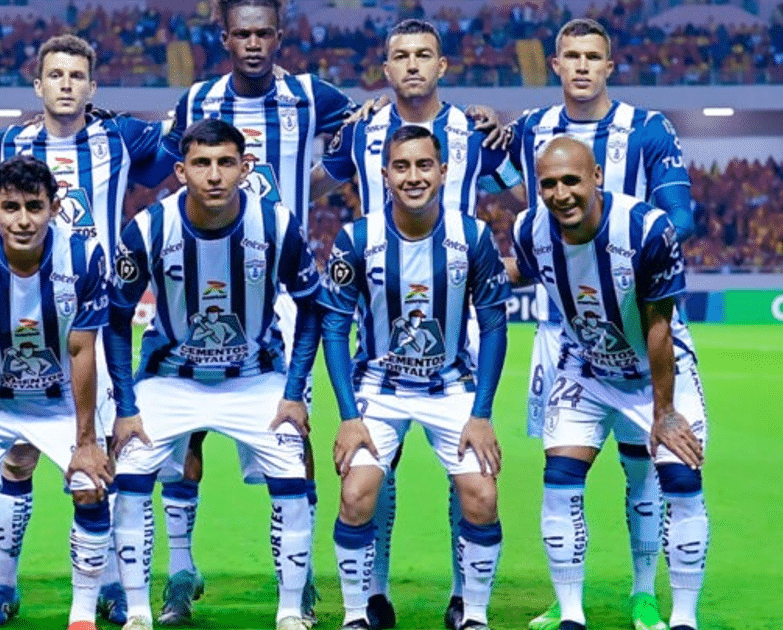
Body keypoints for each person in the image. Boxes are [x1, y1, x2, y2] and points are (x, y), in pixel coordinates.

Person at [158, 1, 355, 622]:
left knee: (291, 432)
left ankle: (298, 577)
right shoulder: (197, 99)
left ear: (278, 36)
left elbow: (359, 138)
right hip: (201, 279)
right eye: (241, 33)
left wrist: (307, 185)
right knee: (185, 430)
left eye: (262, 33)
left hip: (280, 289)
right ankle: (181, 571)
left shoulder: (310, 95)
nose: (252, 43)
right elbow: (168, 161)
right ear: (225, 38)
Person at [320, 20, 520, 629]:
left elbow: (519, 193)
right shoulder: (362, 130)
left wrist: (507, 142)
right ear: (385, 69)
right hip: (380, 300)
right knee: (372, 477)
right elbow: (322, 177)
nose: (412, 65)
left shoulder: (475, 132)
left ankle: (466, 602)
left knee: (472, 479)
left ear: (442, 65)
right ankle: (371, 598)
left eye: (423, 55)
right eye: (401, 56)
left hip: (455, 302)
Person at [0, 33, 171, 627]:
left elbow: (177, 145)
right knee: (20, 456)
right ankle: (4, 585)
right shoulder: (11, 143)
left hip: (97, 318)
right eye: (55, 75)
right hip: (22, 315)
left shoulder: (119, 137)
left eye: (76, 76)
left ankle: (109, 585)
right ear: (38, 85)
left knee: (106, 454)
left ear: (92, 86)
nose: (65, 84)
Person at [504, 19, 696, 630]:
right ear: (555, 64)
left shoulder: (647, 128)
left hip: (639, 314)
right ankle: (567, 600)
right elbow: (511, 191)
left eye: (593, 56)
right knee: (561, 469)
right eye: (571, 56)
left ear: (609, 66)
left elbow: (681, 217)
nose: (582, 66)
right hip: (563, 333)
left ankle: (644, 592)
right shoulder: (531, 128)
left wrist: (623, 257)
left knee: (643, 467)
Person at [106, 119, 323, 630]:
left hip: (255, 376)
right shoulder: (148, 228)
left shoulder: (277, 224)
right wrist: (126, 407)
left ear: (245, 168)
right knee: (129, 474)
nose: (214, 174)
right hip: (169, 378)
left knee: (293, 471)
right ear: (181, 171)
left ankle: (293, 605)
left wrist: (293, 393)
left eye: (226, 162)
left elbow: (313, 310)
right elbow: (116, 319)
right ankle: (139, 610)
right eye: (201, 163)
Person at [0, 154, 114, 630]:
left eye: (35, 207)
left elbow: (82, 350)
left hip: (60, 402)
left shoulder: (83, 257)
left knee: (90, 486)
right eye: (11, 207)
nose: (23, 220)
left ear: (54, 208)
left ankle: (82, 616)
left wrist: (87, 441)